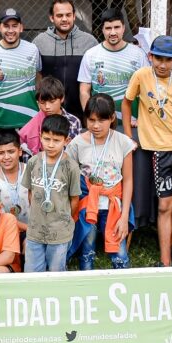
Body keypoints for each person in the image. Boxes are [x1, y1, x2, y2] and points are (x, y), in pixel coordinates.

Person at [122, 36, 172, 267]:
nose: (162, 64)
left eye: (168, 60)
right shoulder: (142, 76)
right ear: (150, 57)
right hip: (160, 150)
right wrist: (129, 136)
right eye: (158, 58)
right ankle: (165, 261)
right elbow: (127, 103)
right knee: (165, 204)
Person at [67, 94, 135, 270]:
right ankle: (86, 289)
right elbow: (70, 177)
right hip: (87, 204)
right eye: (91, 120)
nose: (96, 126)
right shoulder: (77, 144)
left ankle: (124, 287)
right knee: (87, 252)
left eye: (102, 120)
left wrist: (125, 215)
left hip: (114, 205)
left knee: (120, 255)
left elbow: (128, 180)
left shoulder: (123, 142)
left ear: (112, 118)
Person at [22, 115, 81, 272]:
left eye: (56, 140)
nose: (50, 144)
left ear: (66, 141)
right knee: (32, 272)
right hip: (35, 230)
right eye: (47, 139)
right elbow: (30, 192)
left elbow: (74, 199)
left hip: (59, 231)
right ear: (40, 135)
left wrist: (64, 219)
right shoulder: (33, 162)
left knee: (56, 272)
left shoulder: (71, 167)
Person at [33, 0, 98, 117]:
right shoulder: (39, 42)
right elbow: (36, 75)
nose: (64, 19)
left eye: (68, 15)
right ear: (52, 18)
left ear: (74, 16)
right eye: (59, 15)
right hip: (50, 112)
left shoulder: (90, 42)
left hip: (82, 112)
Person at [0, 8, 42, 129]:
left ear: (21, 28)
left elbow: (39, 75)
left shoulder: (32, 49)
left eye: (14, 26)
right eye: (6, 26)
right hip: (0, 122)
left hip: (30, 119)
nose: (11, 30)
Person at [78, 8, 147, 119]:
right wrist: (90, 116)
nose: (113, 32)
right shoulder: (91, 55)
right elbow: (84, 90)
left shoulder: (138, 54)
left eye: (117, 27)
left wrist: (143, 119)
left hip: (132, 120)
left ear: (123, 28)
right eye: (108, 28)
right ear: (102, 29)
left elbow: (147, 89)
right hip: (101, 121)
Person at [18, 76, 82, 156]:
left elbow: (77, 150)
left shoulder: (74, 122)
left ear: (62, 98)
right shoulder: (33, 123)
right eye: (42, 102)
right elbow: (25, 150)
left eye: (52, 101)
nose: (47, 107)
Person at [0, 129, 29, 233]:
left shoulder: (32, 172)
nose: (6, 157)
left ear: (20, 151)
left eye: (11, 151)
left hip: (35, 229)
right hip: (6, 231)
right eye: (0, 153)